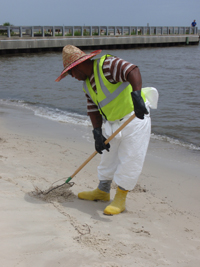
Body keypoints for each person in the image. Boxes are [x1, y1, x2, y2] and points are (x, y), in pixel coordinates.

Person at [55, 45, 158, 215]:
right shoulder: (87, 85)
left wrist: (137, 96)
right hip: (112, 123)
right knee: (107, 158)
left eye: (71, 73)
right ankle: (102, 191)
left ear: (78, 66)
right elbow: (93, 109)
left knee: (130, 158)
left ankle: (121, 198)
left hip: (134, 117)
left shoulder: (107, 65)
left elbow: (132, 70)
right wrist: (96, 132)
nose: (72, 77)